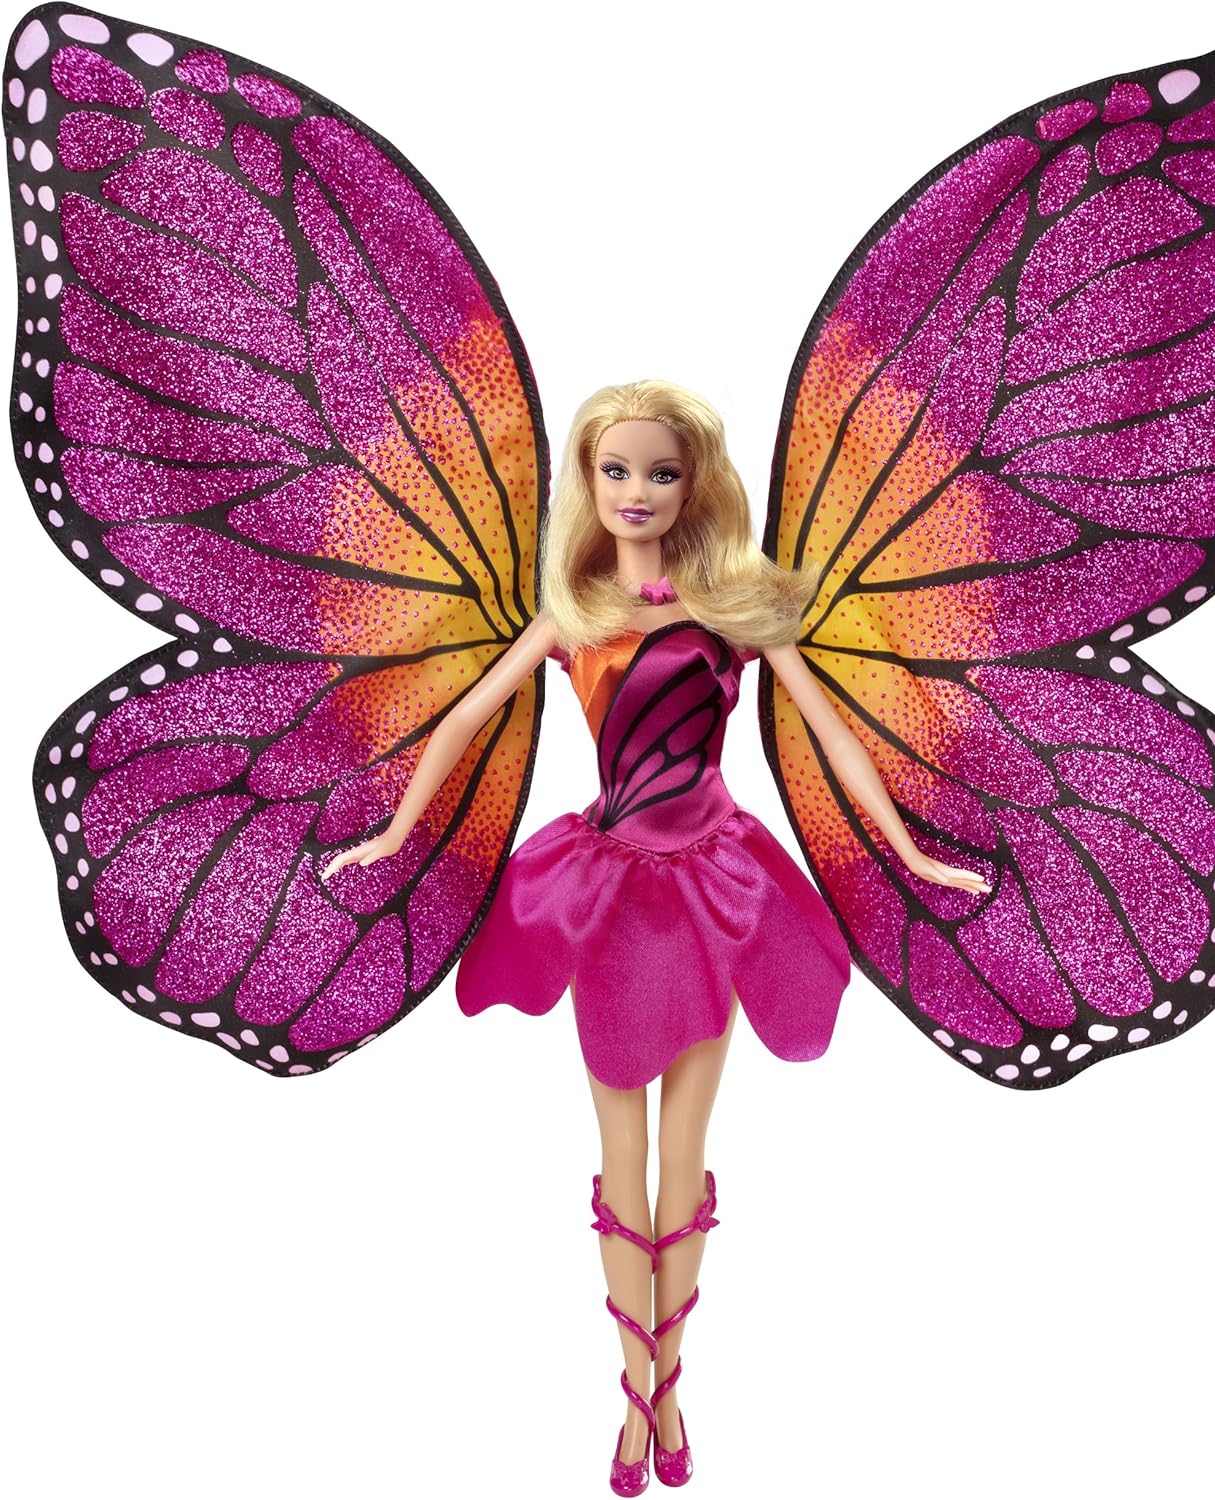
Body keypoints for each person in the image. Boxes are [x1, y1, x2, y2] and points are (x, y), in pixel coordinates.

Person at [324, 379, 988, 1493]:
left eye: (661, 472)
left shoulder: (730, 615)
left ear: (694, 486)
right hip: (608, 892)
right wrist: (395, 830)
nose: (636, 491)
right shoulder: (573, 618)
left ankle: (659, 1397)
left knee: (682, 1151)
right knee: (618, 1151)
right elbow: (465, 715)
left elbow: (830, 733)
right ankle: (644, 1395)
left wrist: (911, 854)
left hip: (720, 885)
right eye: (616, 470)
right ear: (587, 480)